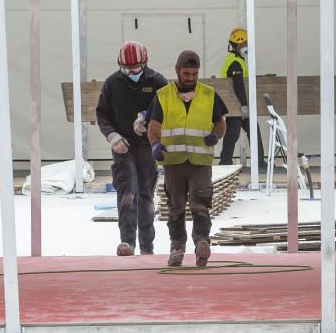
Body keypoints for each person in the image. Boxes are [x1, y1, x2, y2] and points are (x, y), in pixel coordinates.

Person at [147, 50, 227, 267]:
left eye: (194, 74)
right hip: (173, 161)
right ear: (177, 71)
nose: (190, 78)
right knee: (176, 206)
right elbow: (154, 126)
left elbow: (220, 122)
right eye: (186, 73)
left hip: (200, 163)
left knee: (200, 204)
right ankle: (177, 247)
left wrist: (216, 135)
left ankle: (202, 242)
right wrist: (155, 144)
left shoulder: (209, 94)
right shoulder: (163, 96)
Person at [95, 41, 168, 256]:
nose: (132, 72)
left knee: (145, 195)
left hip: (147, 146)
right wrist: (112, 135)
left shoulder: (157, 82)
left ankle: (147, 246)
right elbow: (102, 114)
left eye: (136, 68)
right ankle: (127, 242)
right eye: (127, 69)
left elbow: (167, 108)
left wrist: (147, 118)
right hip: (123, 147)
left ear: (145, 63)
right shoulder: (112, 84)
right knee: (127, 194)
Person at [219, 27, 266, 169]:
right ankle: (225, 162)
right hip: (237, 106)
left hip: (238, 106)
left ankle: (257, 162)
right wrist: (244, 105)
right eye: (245, 44)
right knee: (233, 134)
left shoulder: (237, 59)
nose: (247, 47)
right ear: (238, 44)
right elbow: (238, 84)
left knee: (250, 131)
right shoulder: (235, 62)